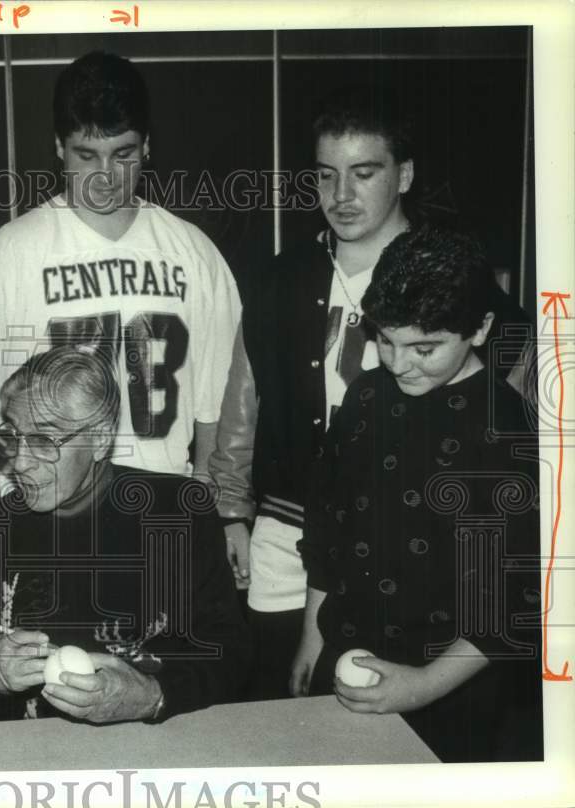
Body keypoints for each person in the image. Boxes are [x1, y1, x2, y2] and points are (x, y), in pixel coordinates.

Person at [208, 86, 533, 701]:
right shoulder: (282, 275)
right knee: (285, 691)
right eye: (326, 176)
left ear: (404, 174)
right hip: (291, 526)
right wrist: (230, 509)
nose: (341, 195)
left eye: (363, 173)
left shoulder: (451, 278)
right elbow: (241, 402)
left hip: (410, 534)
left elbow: (516, 414)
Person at [0, 51, 241, 516]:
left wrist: (207, 501)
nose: (104, 177)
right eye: (86, 155)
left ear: (148, 146)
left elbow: (218, 404)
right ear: (59, 146)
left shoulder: (194, 254)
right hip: (45, 508)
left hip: (163, 503)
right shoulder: (7, 255)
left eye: (123, 155)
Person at [291, 224, 542, 762]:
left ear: (480, 328)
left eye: (424, 347)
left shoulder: (509, 431)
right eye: (385, 339)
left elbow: (518, 597)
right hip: (342, 657)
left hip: (450, 690)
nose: (398, 363)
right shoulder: (365, 396)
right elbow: (327, 527)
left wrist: (422, 686)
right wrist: (313, 637)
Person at [0, 346, 248, 725]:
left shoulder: (177, 512)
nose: (19, 462)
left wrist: (154, 696)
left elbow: (231, 656)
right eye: (11, 434)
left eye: (45, 441)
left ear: (100, 439)